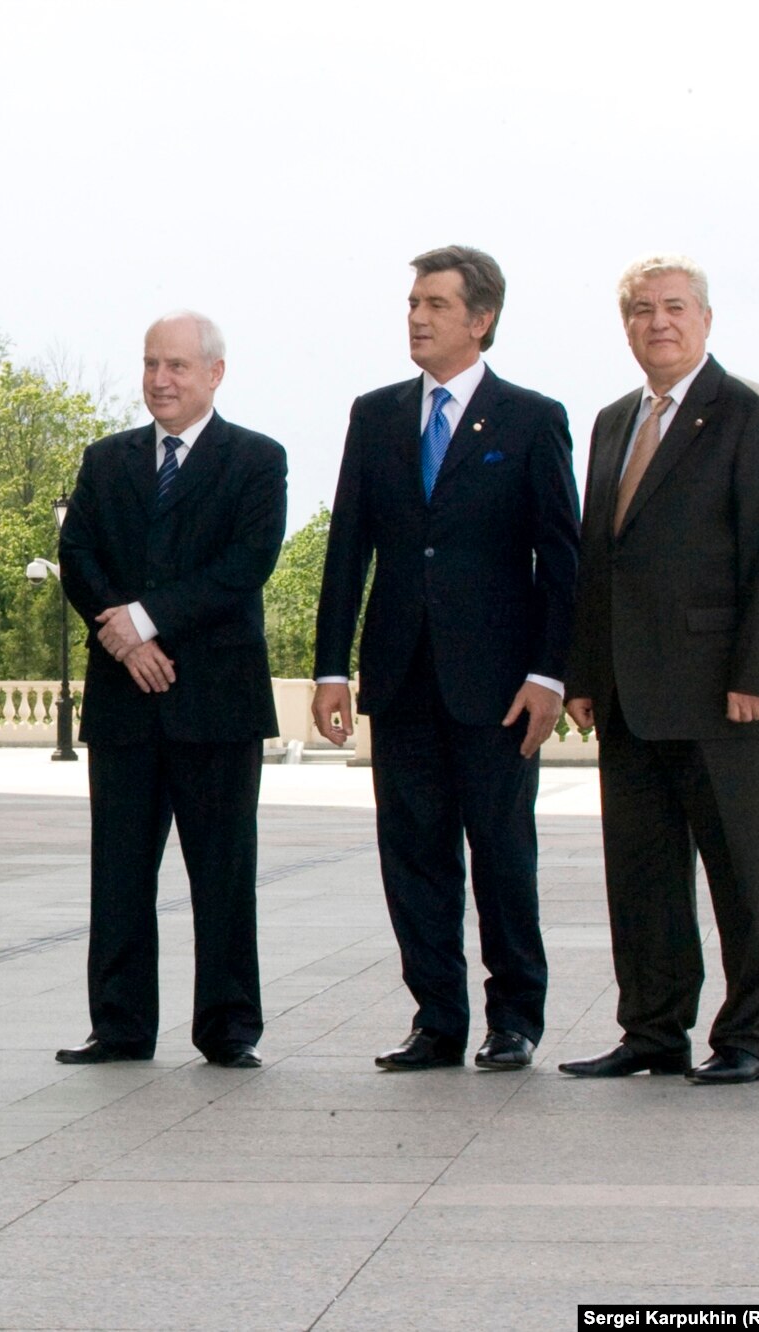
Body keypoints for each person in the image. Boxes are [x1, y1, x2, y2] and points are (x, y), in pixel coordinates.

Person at [312, 245, 579, 1073]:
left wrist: (549, 674)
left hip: (498, 687)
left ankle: (515, 1020)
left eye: (435, 304)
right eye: (412, 304)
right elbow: (347, 547)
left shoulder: (533, 419)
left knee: (501, 854)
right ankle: (437, 1018)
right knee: (414, 854)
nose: (418, 318)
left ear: (481, 318)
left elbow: (561, 558)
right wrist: (331, 667)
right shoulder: (377, 413)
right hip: (399, 677)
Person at [559, 256, 759, 1086]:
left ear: (704, 319)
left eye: (672, 307)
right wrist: (585, 673)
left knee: (742, 877)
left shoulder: (752, 413)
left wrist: (757, 675)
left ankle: (748, 1039)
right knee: (642, 876)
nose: (656, 322)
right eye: (639, 309)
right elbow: (600, 559)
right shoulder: (611, 420)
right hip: (629, 692)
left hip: (720, 692)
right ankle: (654, 1031)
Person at [54, 313, 287, 1069]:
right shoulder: (106, 459)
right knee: (118, 872)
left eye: (178, 366)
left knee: (223, 874)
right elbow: (78, 551)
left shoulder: (256, 460)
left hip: (215, 700)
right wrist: (121, 636)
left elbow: (246, 563)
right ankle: (119, 1025)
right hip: (124, 703)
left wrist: (147, 621)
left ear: (215, 373)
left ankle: (227, 1029)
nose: (161, 379)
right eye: (152, 363)